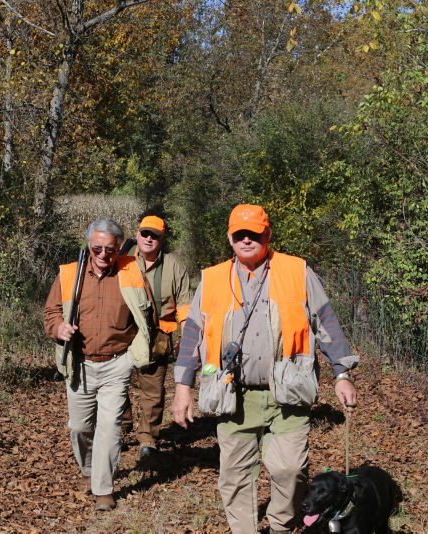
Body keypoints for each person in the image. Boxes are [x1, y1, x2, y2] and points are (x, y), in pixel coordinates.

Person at [171, 204, 359, 534]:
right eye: (240, 234)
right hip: (233, 396)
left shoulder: (297, 271)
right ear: (230, 238)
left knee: (291, 471)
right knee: (235, 477)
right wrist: (183, 387)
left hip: (288, 394)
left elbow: (325, 321)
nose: (247, 240)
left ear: (267, 235)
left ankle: (281, 527)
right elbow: (192, 336)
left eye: (254, 234)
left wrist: (341, 374)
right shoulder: (212, 278)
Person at [43, 217, 154, 512]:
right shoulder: (69, 274)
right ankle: (90, 469)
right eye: (97, 249)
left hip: (117, 365)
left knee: (109, 428)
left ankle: (103, 487)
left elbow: (148, 314)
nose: (103, 255)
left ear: (119, 247)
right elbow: (51, 311)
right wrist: (58, 329)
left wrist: (132, 357)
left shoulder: (132, 271)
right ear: (89, 246)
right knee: (80, 428)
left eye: (110, 249)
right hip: (79, 364)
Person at [121, 215, 193, 456]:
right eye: (145, 234)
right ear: (137, 235)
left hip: (159, 334)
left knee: (153, 390)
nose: (149, 238)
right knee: (117, 384)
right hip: (125, 332)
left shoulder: (174, 265)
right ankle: (119, 430)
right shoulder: (123, 261)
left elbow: (184, 303)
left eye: (155, 235)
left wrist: (187, 336)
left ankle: (148, 437)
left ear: (162, 240)